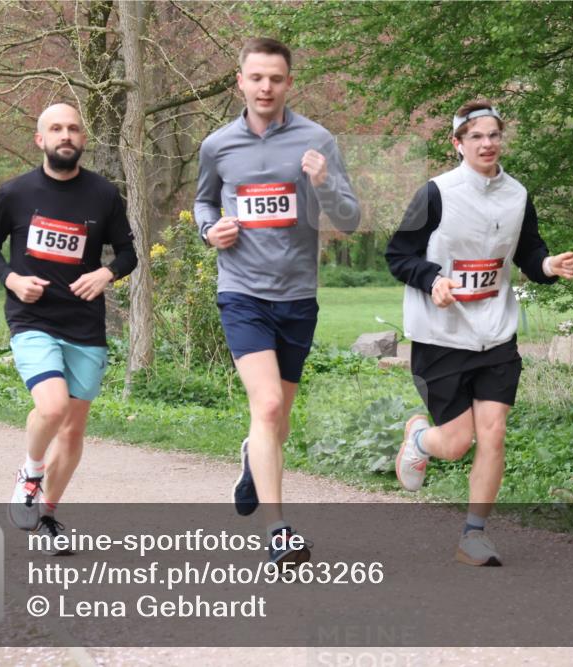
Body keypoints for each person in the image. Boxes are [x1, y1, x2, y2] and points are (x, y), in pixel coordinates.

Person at [386, 100, 573, 566]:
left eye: (493, 135)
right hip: (440, 336)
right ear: (458, 144)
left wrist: (548, 266)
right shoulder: (435, 193)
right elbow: (398, 254)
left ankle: (474, 534)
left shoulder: (517, 194)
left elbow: (529, 251)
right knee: (455, 444)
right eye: (476, 137)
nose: (487, 143)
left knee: (492, 434)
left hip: (495, 335)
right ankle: (417, 439)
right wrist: (434, 281)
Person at [194, 38, 360, 566]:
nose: (266, 87)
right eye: (257, 78)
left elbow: (352, 218)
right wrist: (208, 228)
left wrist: (324, 181)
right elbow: (203, 198)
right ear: (239, 81)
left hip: (297, 297)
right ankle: (278, 529)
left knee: (277, 420)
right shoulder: (217, 145)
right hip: (241, 292)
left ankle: (252, 457)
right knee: (265, 406)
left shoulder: (318, 140)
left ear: (289, 83)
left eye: (277, 79)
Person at [0, 103, 137, 552]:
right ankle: (30, 473)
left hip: (85, 324)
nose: (65, 135)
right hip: (33, 319)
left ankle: (46, 516)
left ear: (83, 139)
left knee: (72, 431)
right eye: (56, 128)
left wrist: (107, 273)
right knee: (52, 409)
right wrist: (11, 278)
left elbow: (128, 253)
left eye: (73, 128)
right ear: (40, 139)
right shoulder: (15, 193)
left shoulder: (103, 195)